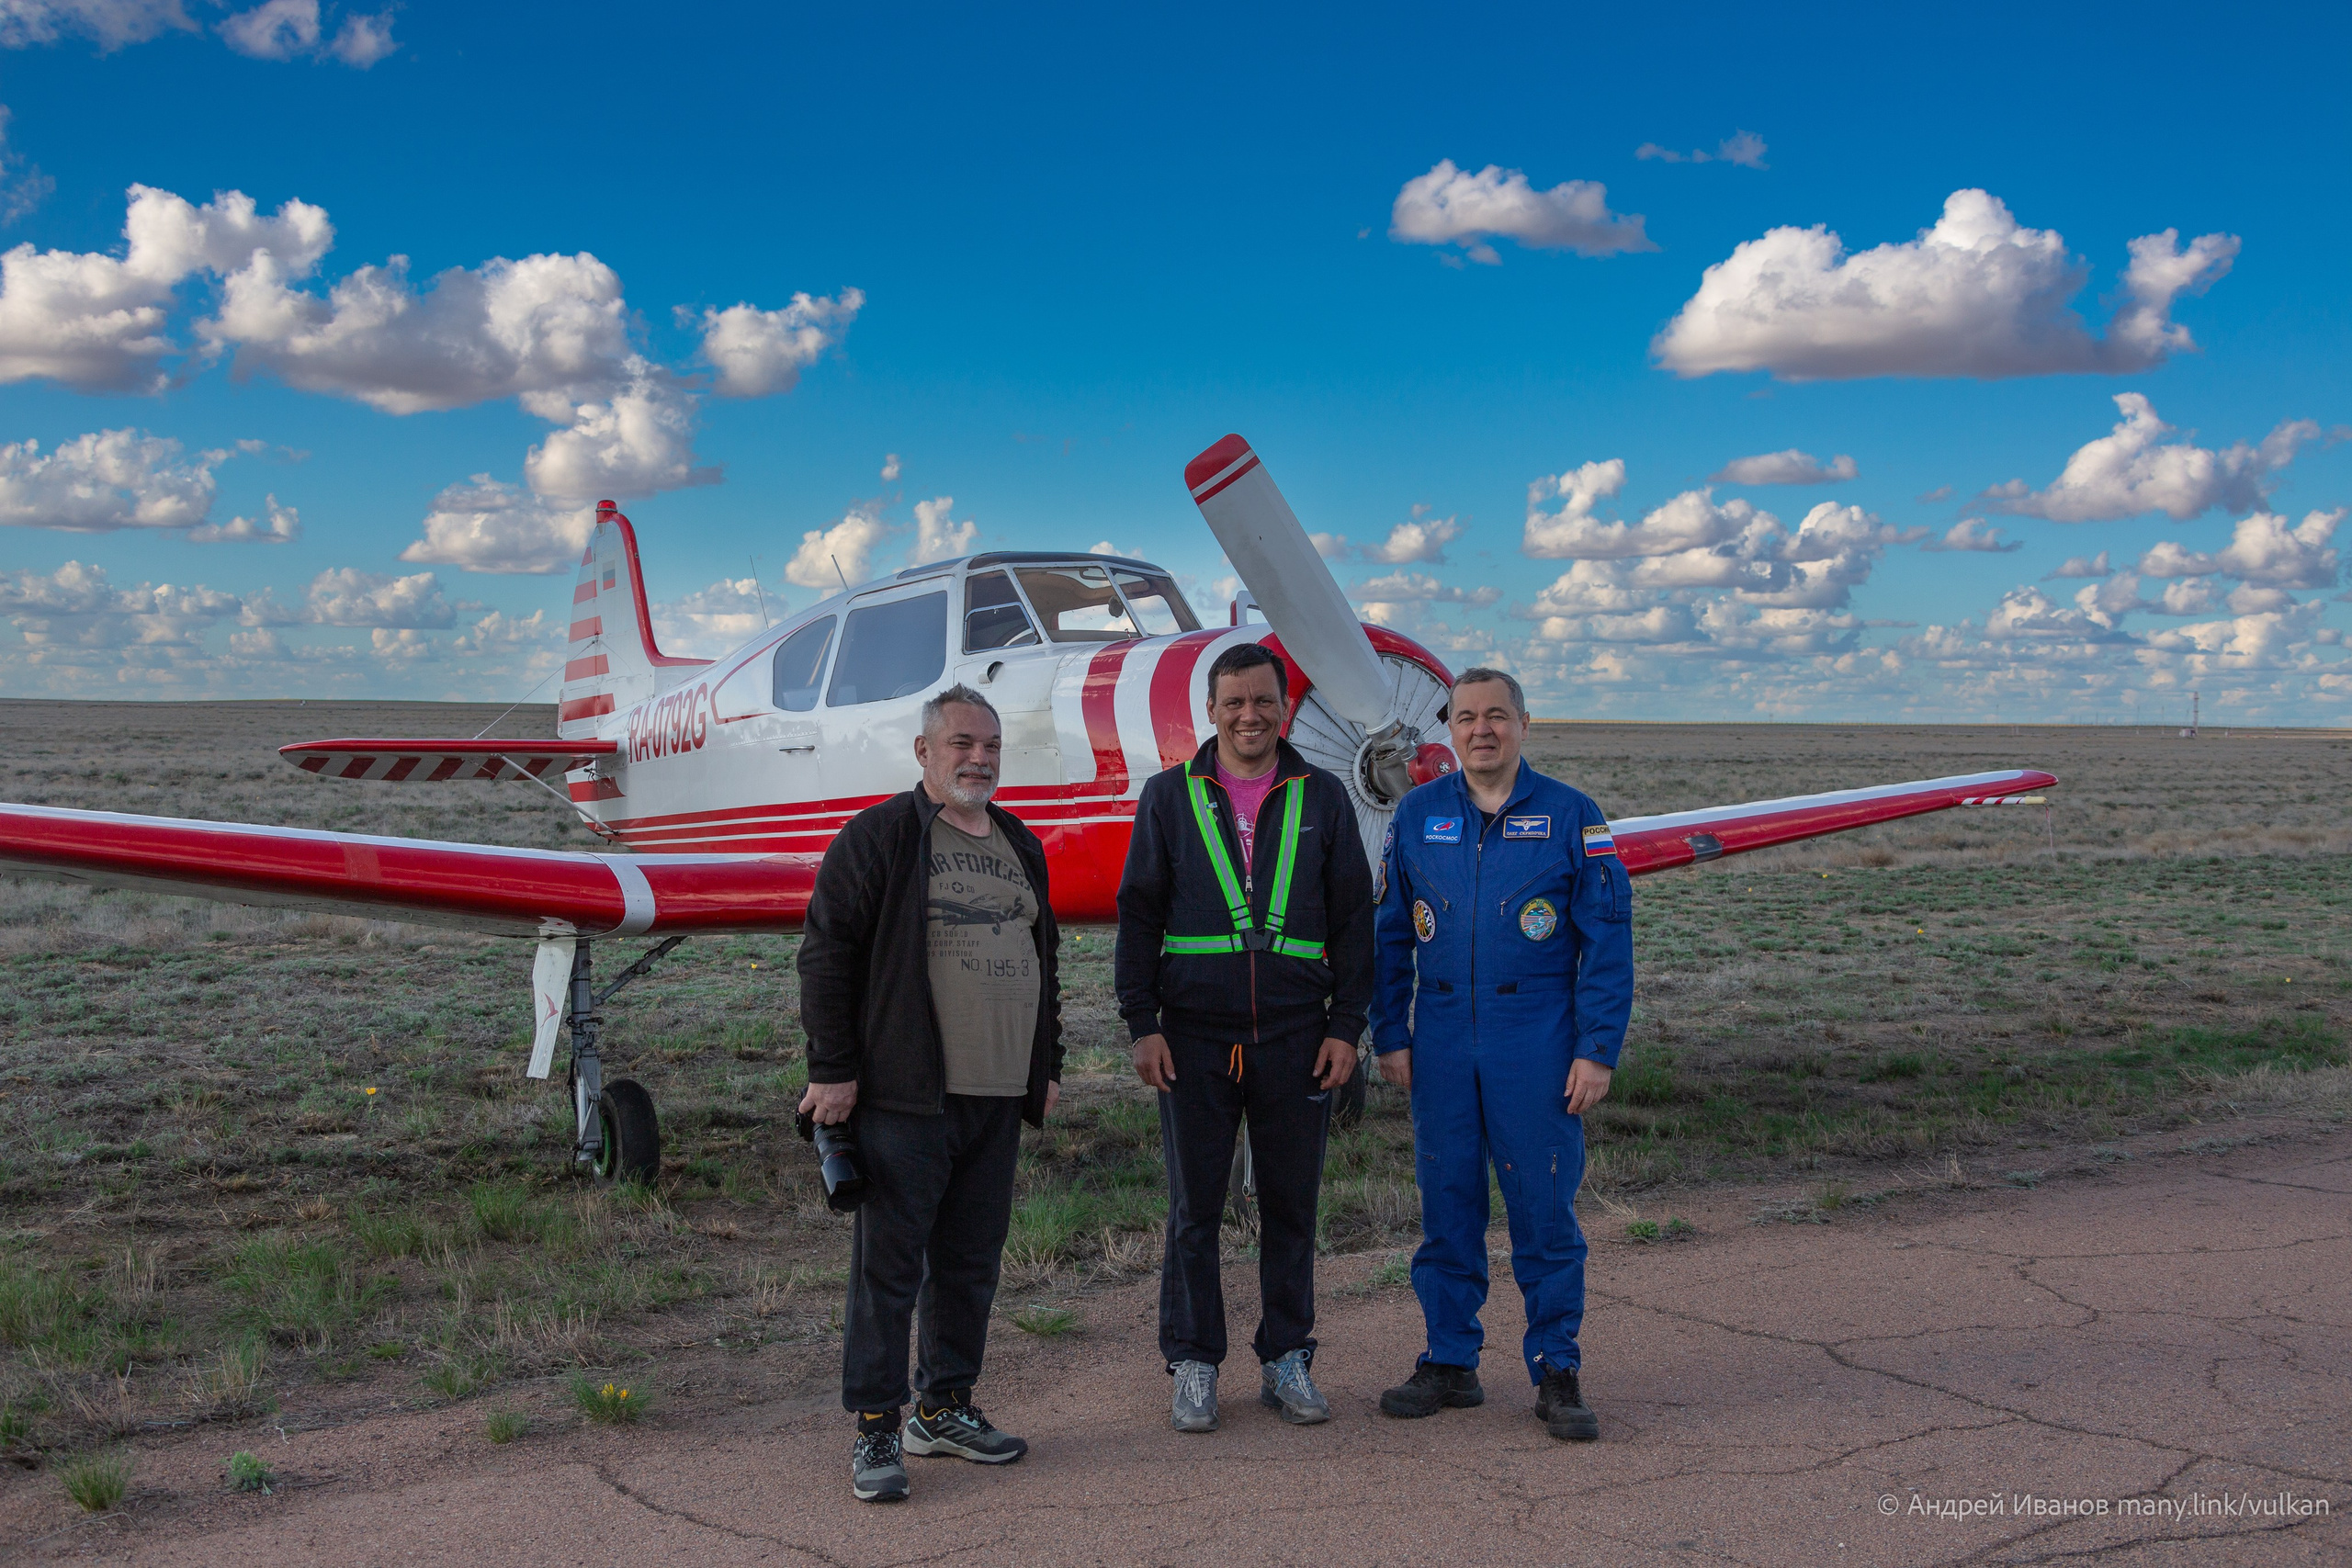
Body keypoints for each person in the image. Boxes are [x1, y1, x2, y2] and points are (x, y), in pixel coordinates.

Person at [797, 684, 1064, 1504]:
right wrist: (833, 1069)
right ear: (924, 752)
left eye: (989, 745)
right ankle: (877, 1429)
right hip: (906, 1097)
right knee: (889, 1270)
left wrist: (1045, 1063)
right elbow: (826, 954)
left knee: (970, 1263)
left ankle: (943, 1407)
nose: (977, 757)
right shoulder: (881, 837)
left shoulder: (1020, 841)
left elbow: (1043, 960)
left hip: (995, 1096)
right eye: (960, 743)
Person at [1115, 641, 1374, 1433]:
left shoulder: (1324, 796)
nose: (1250, 715)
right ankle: (1194, 1360)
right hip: (1191, 1038)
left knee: (1291, 1207)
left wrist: (1346, 1027)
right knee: (1194, 1206)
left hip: (1298, 1036)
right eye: (1234, 703)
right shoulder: (1167, 796)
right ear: (1213, 711)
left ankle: (1287, 1354)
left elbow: (1356, 919)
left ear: (1284, 707)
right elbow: (1139, 912)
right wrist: (1141, 1023)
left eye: (1263, 701)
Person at [1368, 668, 1633, 1442]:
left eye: (1497, 716)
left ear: (1525, 724)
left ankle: (1557, 1367)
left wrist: (1596, 1049)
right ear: (1446, 729)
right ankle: (1450, 1360)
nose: (1481, 729)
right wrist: (1391, 1031)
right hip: (1443, 1033)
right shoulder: (1417, 815)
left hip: (1538, 1035)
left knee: (1544, 1210)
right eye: (1465, 717)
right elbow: (1388, 935)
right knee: (1447, 1203)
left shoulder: (1571, 815)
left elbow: (1607, 944)